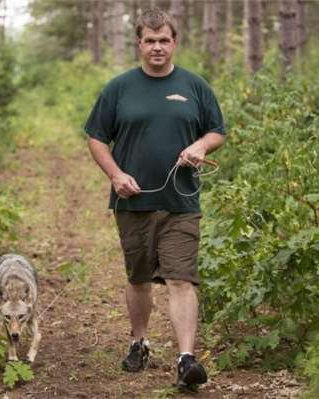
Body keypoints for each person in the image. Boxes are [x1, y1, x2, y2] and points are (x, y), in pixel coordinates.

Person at [84, 8, 225, 390]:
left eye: (164, 40)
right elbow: (96, 138)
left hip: (182, 202)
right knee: (139, 277)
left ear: (174, 42)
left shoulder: (195, 86)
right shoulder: (119, 88)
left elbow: (217, 131)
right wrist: (116, 175)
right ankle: (139, 342)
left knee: (182, 279)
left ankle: (185, 359)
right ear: (139, 43)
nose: (158, 47)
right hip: (133, 202)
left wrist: (200, 145)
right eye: (150, 40)